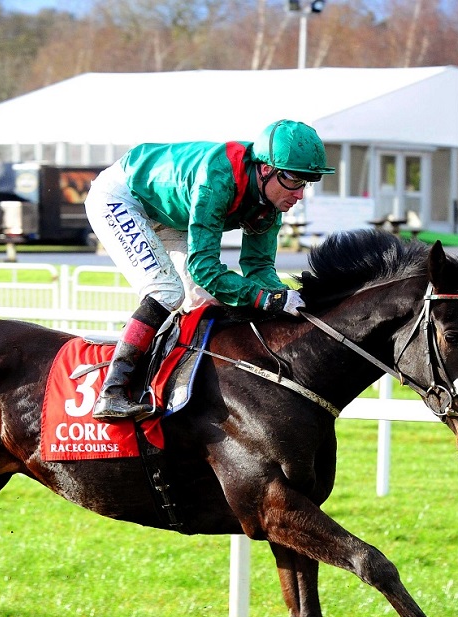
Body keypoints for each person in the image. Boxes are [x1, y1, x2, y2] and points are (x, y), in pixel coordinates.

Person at [83, 119, 335, 421]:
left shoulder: (271, 201)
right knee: (167, 291)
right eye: (295, 179)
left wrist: (282, 296)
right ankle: (112, 391)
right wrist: (268, 300)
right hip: (123, 196)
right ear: (266, 169)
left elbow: (258, 269)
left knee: (203, 302)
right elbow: (204, 268)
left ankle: (170, 389)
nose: (299, 194)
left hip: (171, 213)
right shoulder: (218, 179)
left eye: (307, 182)